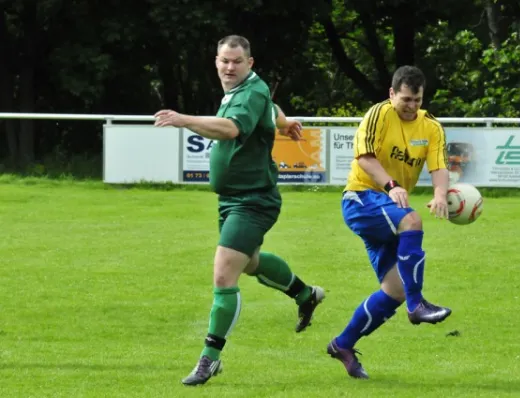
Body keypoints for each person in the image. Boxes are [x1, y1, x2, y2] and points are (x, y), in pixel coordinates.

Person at [154, 35, 325, 386]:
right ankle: (305, 294)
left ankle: (210, 358)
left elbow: (231, 129)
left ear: (250, 63)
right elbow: (269, 106)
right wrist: (284, 121)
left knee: (223, 274)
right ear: (216, 61)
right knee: (249, 263)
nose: (229, 67)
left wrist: (183, 119)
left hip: (253, 201)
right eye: (224, 61)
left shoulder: (248, 92)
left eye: (236, 61)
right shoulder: (249, 89)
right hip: (232, 199)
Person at [327, 65, 452, 379]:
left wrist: (440, 194)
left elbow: (439, 166)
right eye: (406, 99)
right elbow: (365, 158)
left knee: (393, 289)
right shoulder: (379, 114)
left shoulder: (431, 127)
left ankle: (343, 345)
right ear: (392, 94)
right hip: (361, 197)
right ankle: (417, 305)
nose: (411, 106)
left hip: (386, 205)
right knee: (412, 220)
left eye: (417, 100)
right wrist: (393, 186)